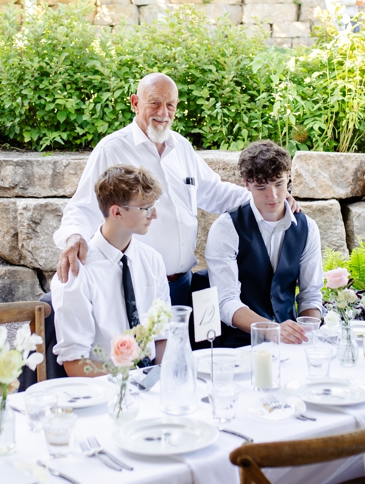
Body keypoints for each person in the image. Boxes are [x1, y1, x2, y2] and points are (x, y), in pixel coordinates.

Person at [53, 73, 254, 310]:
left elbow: (216, 192)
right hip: (137, 286)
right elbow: (83, 207)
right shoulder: (112, 149)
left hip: (183, 285)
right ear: (135, 103)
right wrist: (75, 236)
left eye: (170, 105)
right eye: (155, 103)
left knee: (186, 347)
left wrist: (266, 198)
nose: (163, 112)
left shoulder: (181, 147)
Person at [51, 165, 170, 377]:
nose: (155, 215)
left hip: (153, 381)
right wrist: (130, 382)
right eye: (146, 208)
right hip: (105, 388)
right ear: (116, 212)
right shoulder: (78, 272)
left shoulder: (153, 260)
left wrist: (160, 380)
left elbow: (162, 336)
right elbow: (75, 363)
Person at [205, 141, 323, 347]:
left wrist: (308, 334)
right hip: (240, 344)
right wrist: (272, 330)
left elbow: (310, 295)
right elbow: (225, 302)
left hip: (290, 344)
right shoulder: (226, 228)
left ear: (288, 177)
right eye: (261, 187)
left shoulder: (308, 228)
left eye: (278, 184)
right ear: (246, 184)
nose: (273, 196)